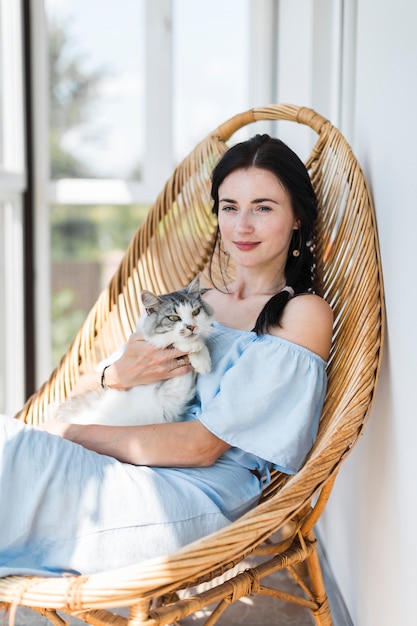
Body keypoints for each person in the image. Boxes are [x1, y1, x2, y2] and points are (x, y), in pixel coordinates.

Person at [0, 134, 333, 577]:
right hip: (122, 464)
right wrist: (115, 377)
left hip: (187, 497)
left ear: (296, 218)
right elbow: (87, 384)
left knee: (16, 449)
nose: (241, 226)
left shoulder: (300, 314)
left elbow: (202, 447)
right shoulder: (196, 303)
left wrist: (67, 434)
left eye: (264, 207)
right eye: (230, 207)